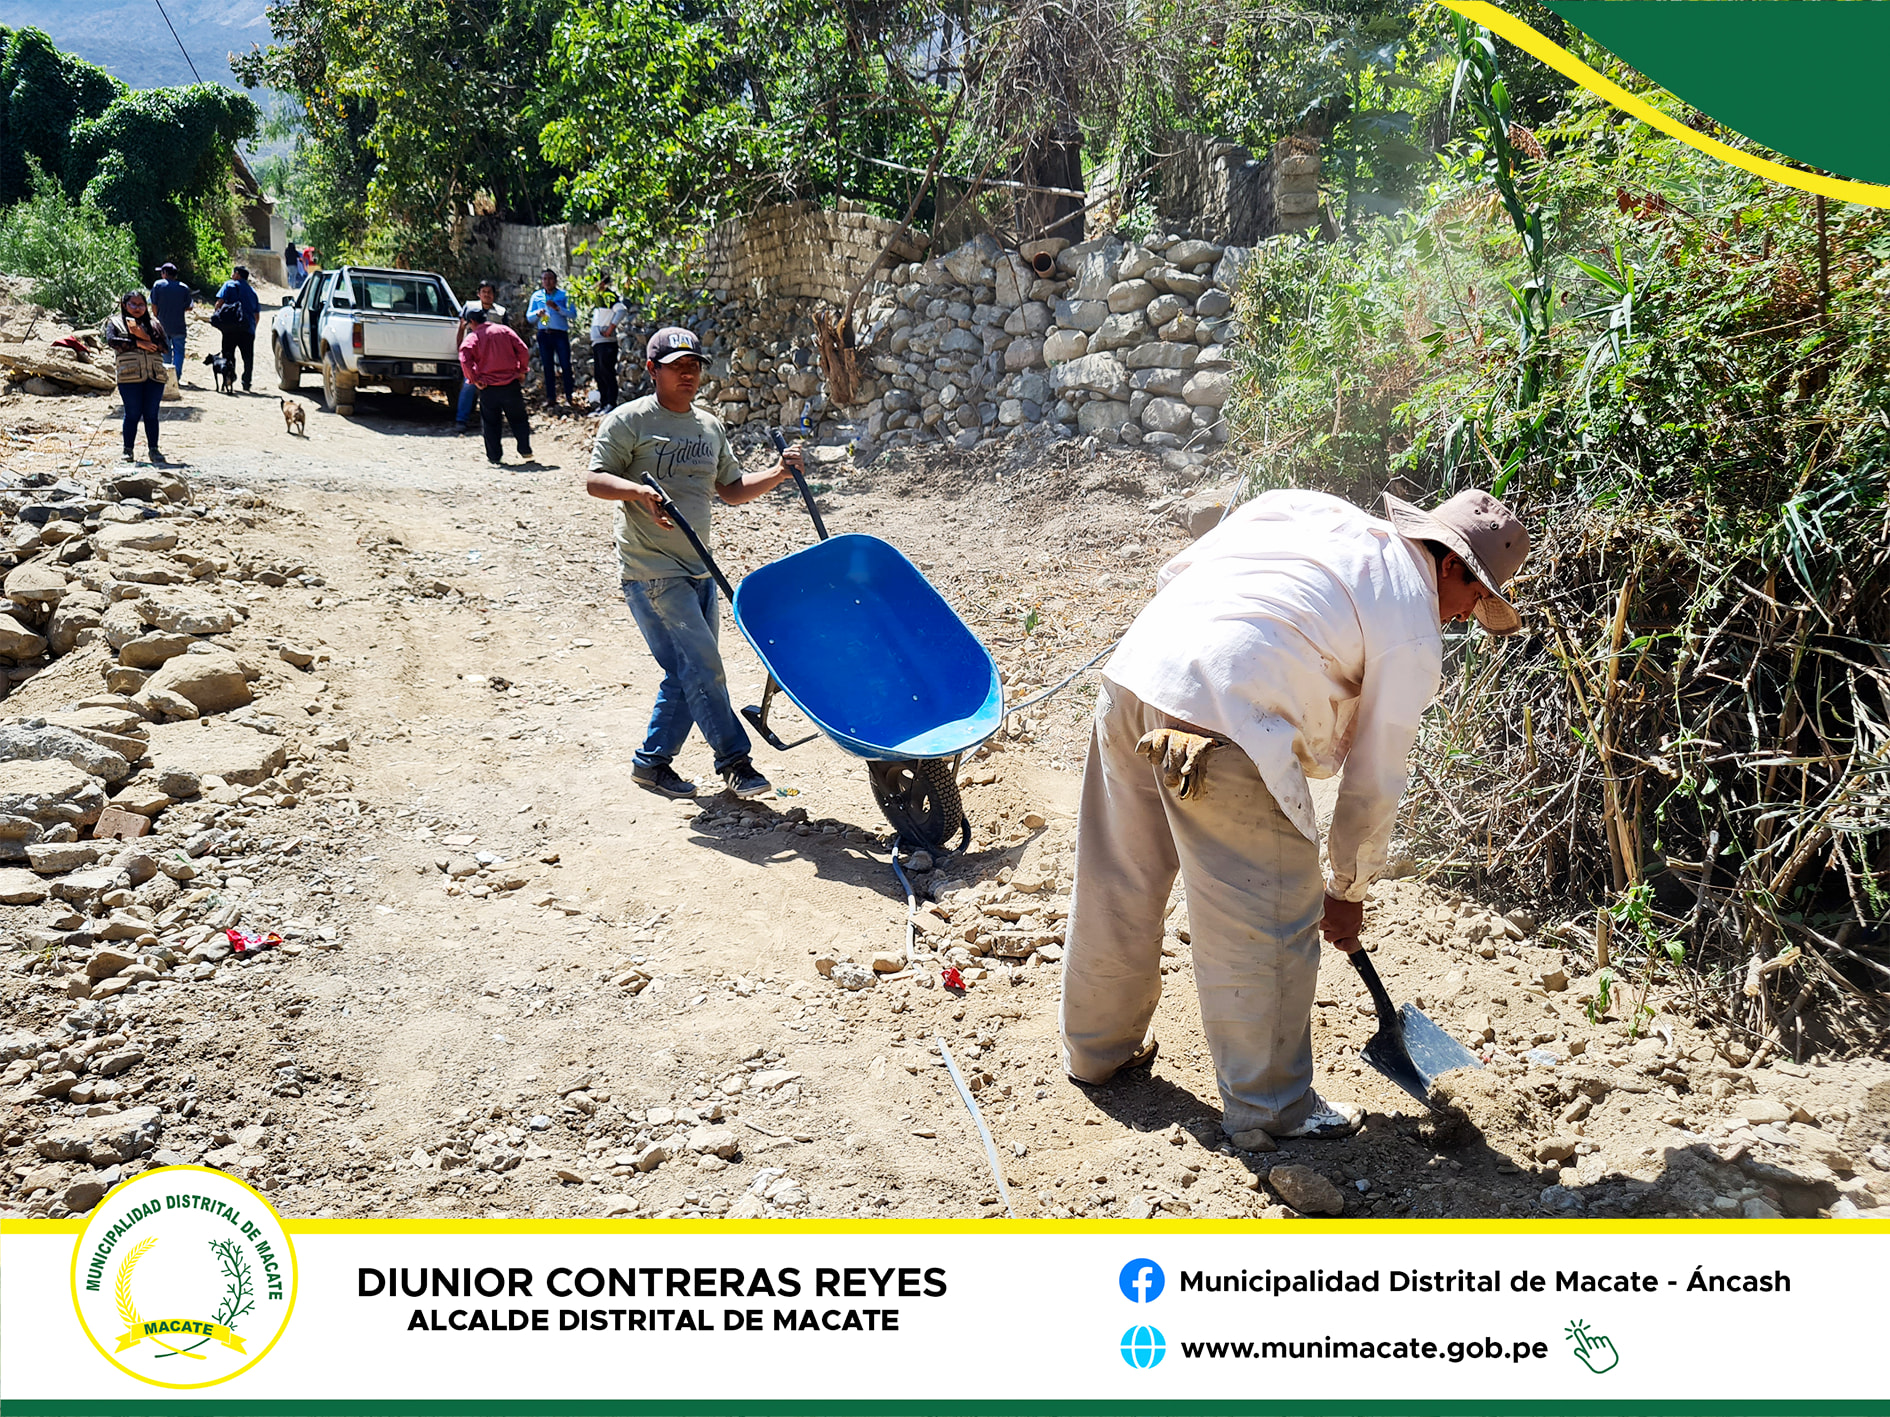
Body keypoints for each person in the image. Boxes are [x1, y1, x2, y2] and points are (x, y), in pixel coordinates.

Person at [1059, 487, 1530, 1147]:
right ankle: (1274, 1105)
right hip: (1225, 716)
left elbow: (1177, 574)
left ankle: (1096, 1049)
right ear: (1452, 565)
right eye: (1475, 600)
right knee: (1272, 916)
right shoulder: (1413, 620)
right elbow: (1375, 780)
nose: (1462, 618)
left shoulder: (1311, 512)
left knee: (1119, 876)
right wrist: (1345, 890)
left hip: (1136, 674)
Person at [584, 326, 804, 800]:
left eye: (694, 365)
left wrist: (780, 473)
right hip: (652, 571)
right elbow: (596, 480)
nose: (688, 373)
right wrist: (639, 492)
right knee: (703, 666)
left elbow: (731, 489)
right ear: (652, 371)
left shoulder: (708, 426)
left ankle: (652, 762)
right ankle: (736, 762)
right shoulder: (629, 421)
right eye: (676, 366)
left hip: (699, 568)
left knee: (688, 670)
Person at [457, 308, 533, 465]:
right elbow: (523, 350)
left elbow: (464, 358)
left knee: (491, 422)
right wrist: (521, 370)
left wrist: (473, 379)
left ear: (472, 322)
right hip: (511, 384)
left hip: (488, 387)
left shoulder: (473, 337)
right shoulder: (505, 330)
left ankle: (494, 456)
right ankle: (525, 449)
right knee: (519, 418)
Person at [102, 290, 170, 464]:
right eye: (133, 304)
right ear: (124, 305)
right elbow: (112, 341)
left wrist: (144, 336)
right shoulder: (116, 322)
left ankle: (154, 450)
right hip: (129, 376)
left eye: (141, 305)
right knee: (132, 413)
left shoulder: (154, 323)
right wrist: (137, 343)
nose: (138, 308)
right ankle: (128, 451)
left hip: (154, 376)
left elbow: (164, 347)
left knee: (151, 414)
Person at [454, 279, 508, 433]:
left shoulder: (500, 312)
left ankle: (491, 422)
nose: (486, 295)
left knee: (494, 389)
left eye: (489, 292)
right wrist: (460, 350)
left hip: (494, 356)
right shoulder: (470, 307)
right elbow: (461, 329)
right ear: (478, 294)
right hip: (474, 356)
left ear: (494, 295)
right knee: (468, 386)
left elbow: (506, 334)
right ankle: (461, 420)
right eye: (483, 292)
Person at [525, 268, 576, 411]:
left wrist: (558, 308)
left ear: (555, 281)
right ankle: (551, 398)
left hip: (560, 334)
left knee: (565, 365)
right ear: (541, 281)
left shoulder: (564, 295)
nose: (547, 282)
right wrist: (537, 313)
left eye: (550, 279)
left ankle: (569, 396)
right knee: (548, 367)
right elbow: (529, 317)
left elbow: (572, 315)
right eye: (545, 279)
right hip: (544, 333)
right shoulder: (536, 296)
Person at [213, 264, 261, 391]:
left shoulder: (229, 285)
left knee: (228, 354)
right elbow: (257, 315)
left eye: (233, 273)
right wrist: (253, 329)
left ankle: (229, 377)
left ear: (237, 274)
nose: (232, 275)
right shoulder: (252, 292)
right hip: (247, 328)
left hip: (230, 328)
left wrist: (219, 318)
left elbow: (219, 304)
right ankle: (246, 382)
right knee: (248, 357)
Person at [587, 285, 630, 411]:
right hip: (597, 342)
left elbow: (621, 310)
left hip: (606, 342)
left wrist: (610, 328)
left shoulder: (609, 297)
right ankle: (604, 403)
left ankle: (611, 403)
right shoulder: (598, 299)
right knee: (599, 374)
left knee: (607, 373)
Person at [148, 262, 193, 381]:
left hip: (162, 325)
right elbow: (189, 306)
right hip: (179, 325)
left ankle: (166, 376)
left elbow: (153, 304)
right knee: (179, 352)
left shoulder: (158, 285)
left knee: (165, 351)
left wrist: (157, 317)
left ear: (164, 273)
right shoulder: (183, 287)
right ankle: (176, 377)